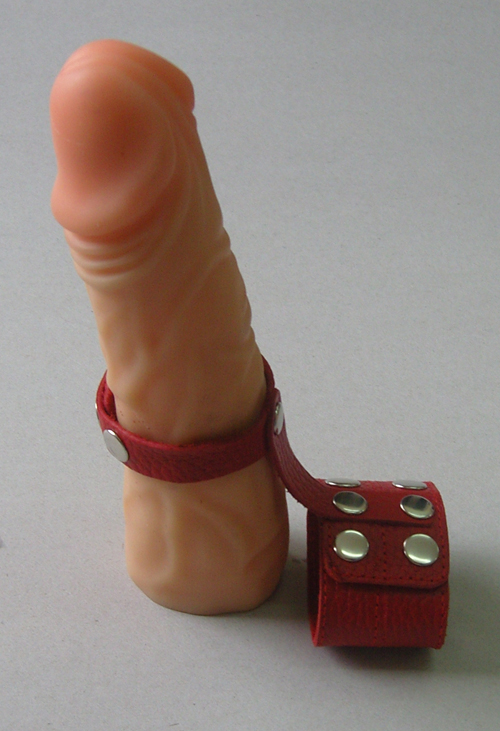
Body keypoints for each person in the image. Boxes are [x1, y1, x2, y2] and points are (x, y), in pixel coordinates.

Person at [50, 40, 290, 615]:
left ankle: (198, 545)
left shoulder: (109, 110)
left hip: (199, 526)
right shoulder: (118, 111)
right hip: (221, 522)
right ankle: (209, 541)